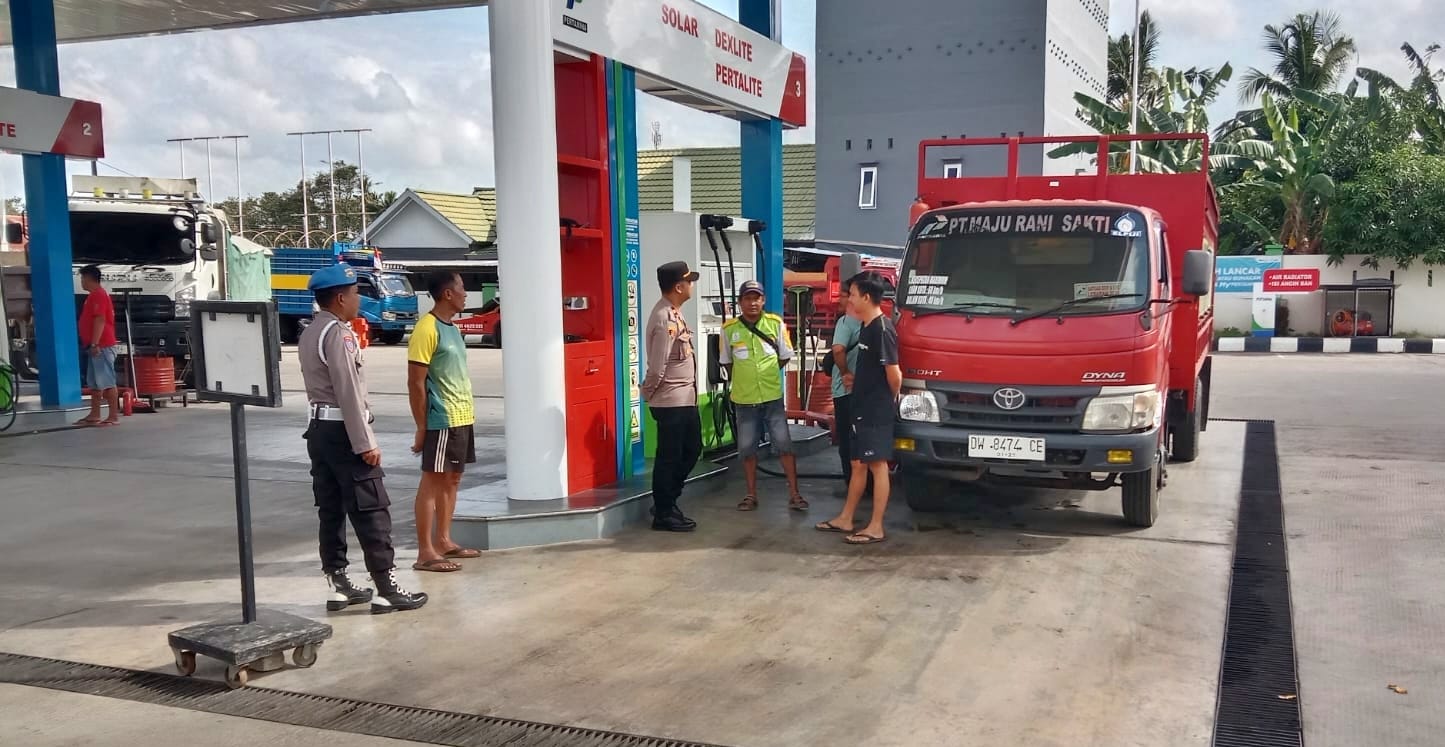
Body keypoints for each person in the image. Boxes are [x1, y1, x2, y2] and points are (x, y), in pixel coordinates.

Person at [299, 263, 427, 614]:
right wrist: (365, 442)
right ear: (340, 298)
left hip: (319, 430)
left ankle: (339, 584)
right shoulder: (338, 334)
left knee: (331, 508)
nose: (359, 299)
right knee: (371, 508)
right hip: (344, 432)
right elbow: (348, 392)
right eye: (356, 293)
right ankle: (387, 587)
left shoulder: (310, 331)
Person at [817, 272, 902, 545]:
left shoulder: (882, 330)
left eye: (852, 294)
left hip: (875, 410)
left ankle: (876, 526)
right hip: (860, 406)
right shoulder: (866, 326)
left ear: (866, 297)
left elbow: (895, 375)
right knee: (857, 464)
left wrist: (884, 401)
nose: (849, 299)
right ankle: (846, 518)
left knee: (877, 465)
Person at [408, 270, 481, 571]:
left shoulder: (453, 329)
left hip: (462, 415)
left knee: (453, 479)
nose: (466, 293)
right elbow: (415, 383)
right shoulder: (426, 328)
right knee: (433, 481)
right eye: (462, 287)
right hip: (441, 419)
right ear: (447, 294)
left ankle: (444, 540)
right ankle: (425, 552)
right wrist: (421, 427)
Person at [720, 279, 807, 512]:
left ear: (763, 300)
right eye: (747, 298)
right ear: (740, 302)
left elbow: (785, 356)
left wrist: (767, 374)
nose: (752, 303)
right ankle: (750, 495)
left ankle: (795, 494)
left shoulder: (775, 324)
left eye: (756, 298)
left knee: (784, 446)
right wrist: (744, 378)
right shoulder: (729, 330)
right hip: (744, 399)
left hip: (771, 397)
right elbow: (727, 362)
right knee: (747, 449)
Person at [640, 261, 702, 533]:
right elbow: (657, 367)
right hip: (671, 401)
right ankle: (664, 512)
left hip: (685, 399)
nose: (691, 286)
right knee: (670, 457)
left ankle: (666, 501)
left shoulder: (674, 313)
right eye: (689, 281)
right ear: (679, 287)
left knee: (691, 450)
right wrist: (648, 394)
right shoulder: (665, 318)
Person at [828, 278, 866, 494]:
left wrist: (844, 373)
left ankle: (852, 484)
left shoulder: (845, 322)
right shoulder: (873, 321)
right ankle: (866, 484)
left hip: (845, 390)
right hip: (866, 392)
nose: (840, 300)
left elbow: (838, 350)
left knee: (846, 439)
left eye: (844, 295)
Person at [76, 265, 120, 426]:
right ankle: (95, 414)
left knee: (107, 382)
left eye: (82, 278)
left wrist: (95, 343)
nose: (81, 282)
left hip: (102, 346)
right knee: (95, 383)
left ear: (89, 278)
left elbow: (100, 319)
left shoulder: (99, 295)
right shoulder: (93, 296)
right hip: (94, 346)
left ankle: (113, 416)